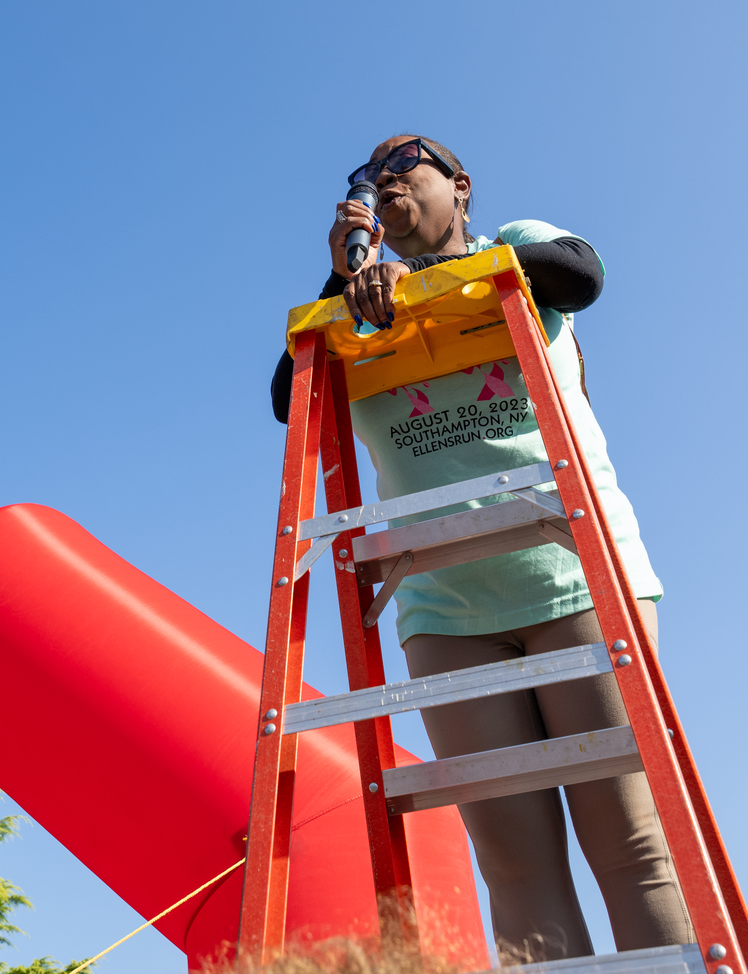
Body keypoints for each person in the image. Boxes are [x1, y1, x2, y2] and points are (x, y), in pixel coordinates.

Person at [270, 135, 692, 962]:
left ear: (459, 187)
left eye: (405, 165)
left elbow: (580, 274)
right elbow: (291, 400)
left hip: (572, 576)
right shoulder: (354, 309)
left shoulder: (512, 247)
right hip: (443, 607)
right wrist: (343, 281)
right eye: (366, 180)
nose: (383, 181)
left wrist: (422, 281)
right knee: (514, 861)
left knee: (630, 842)